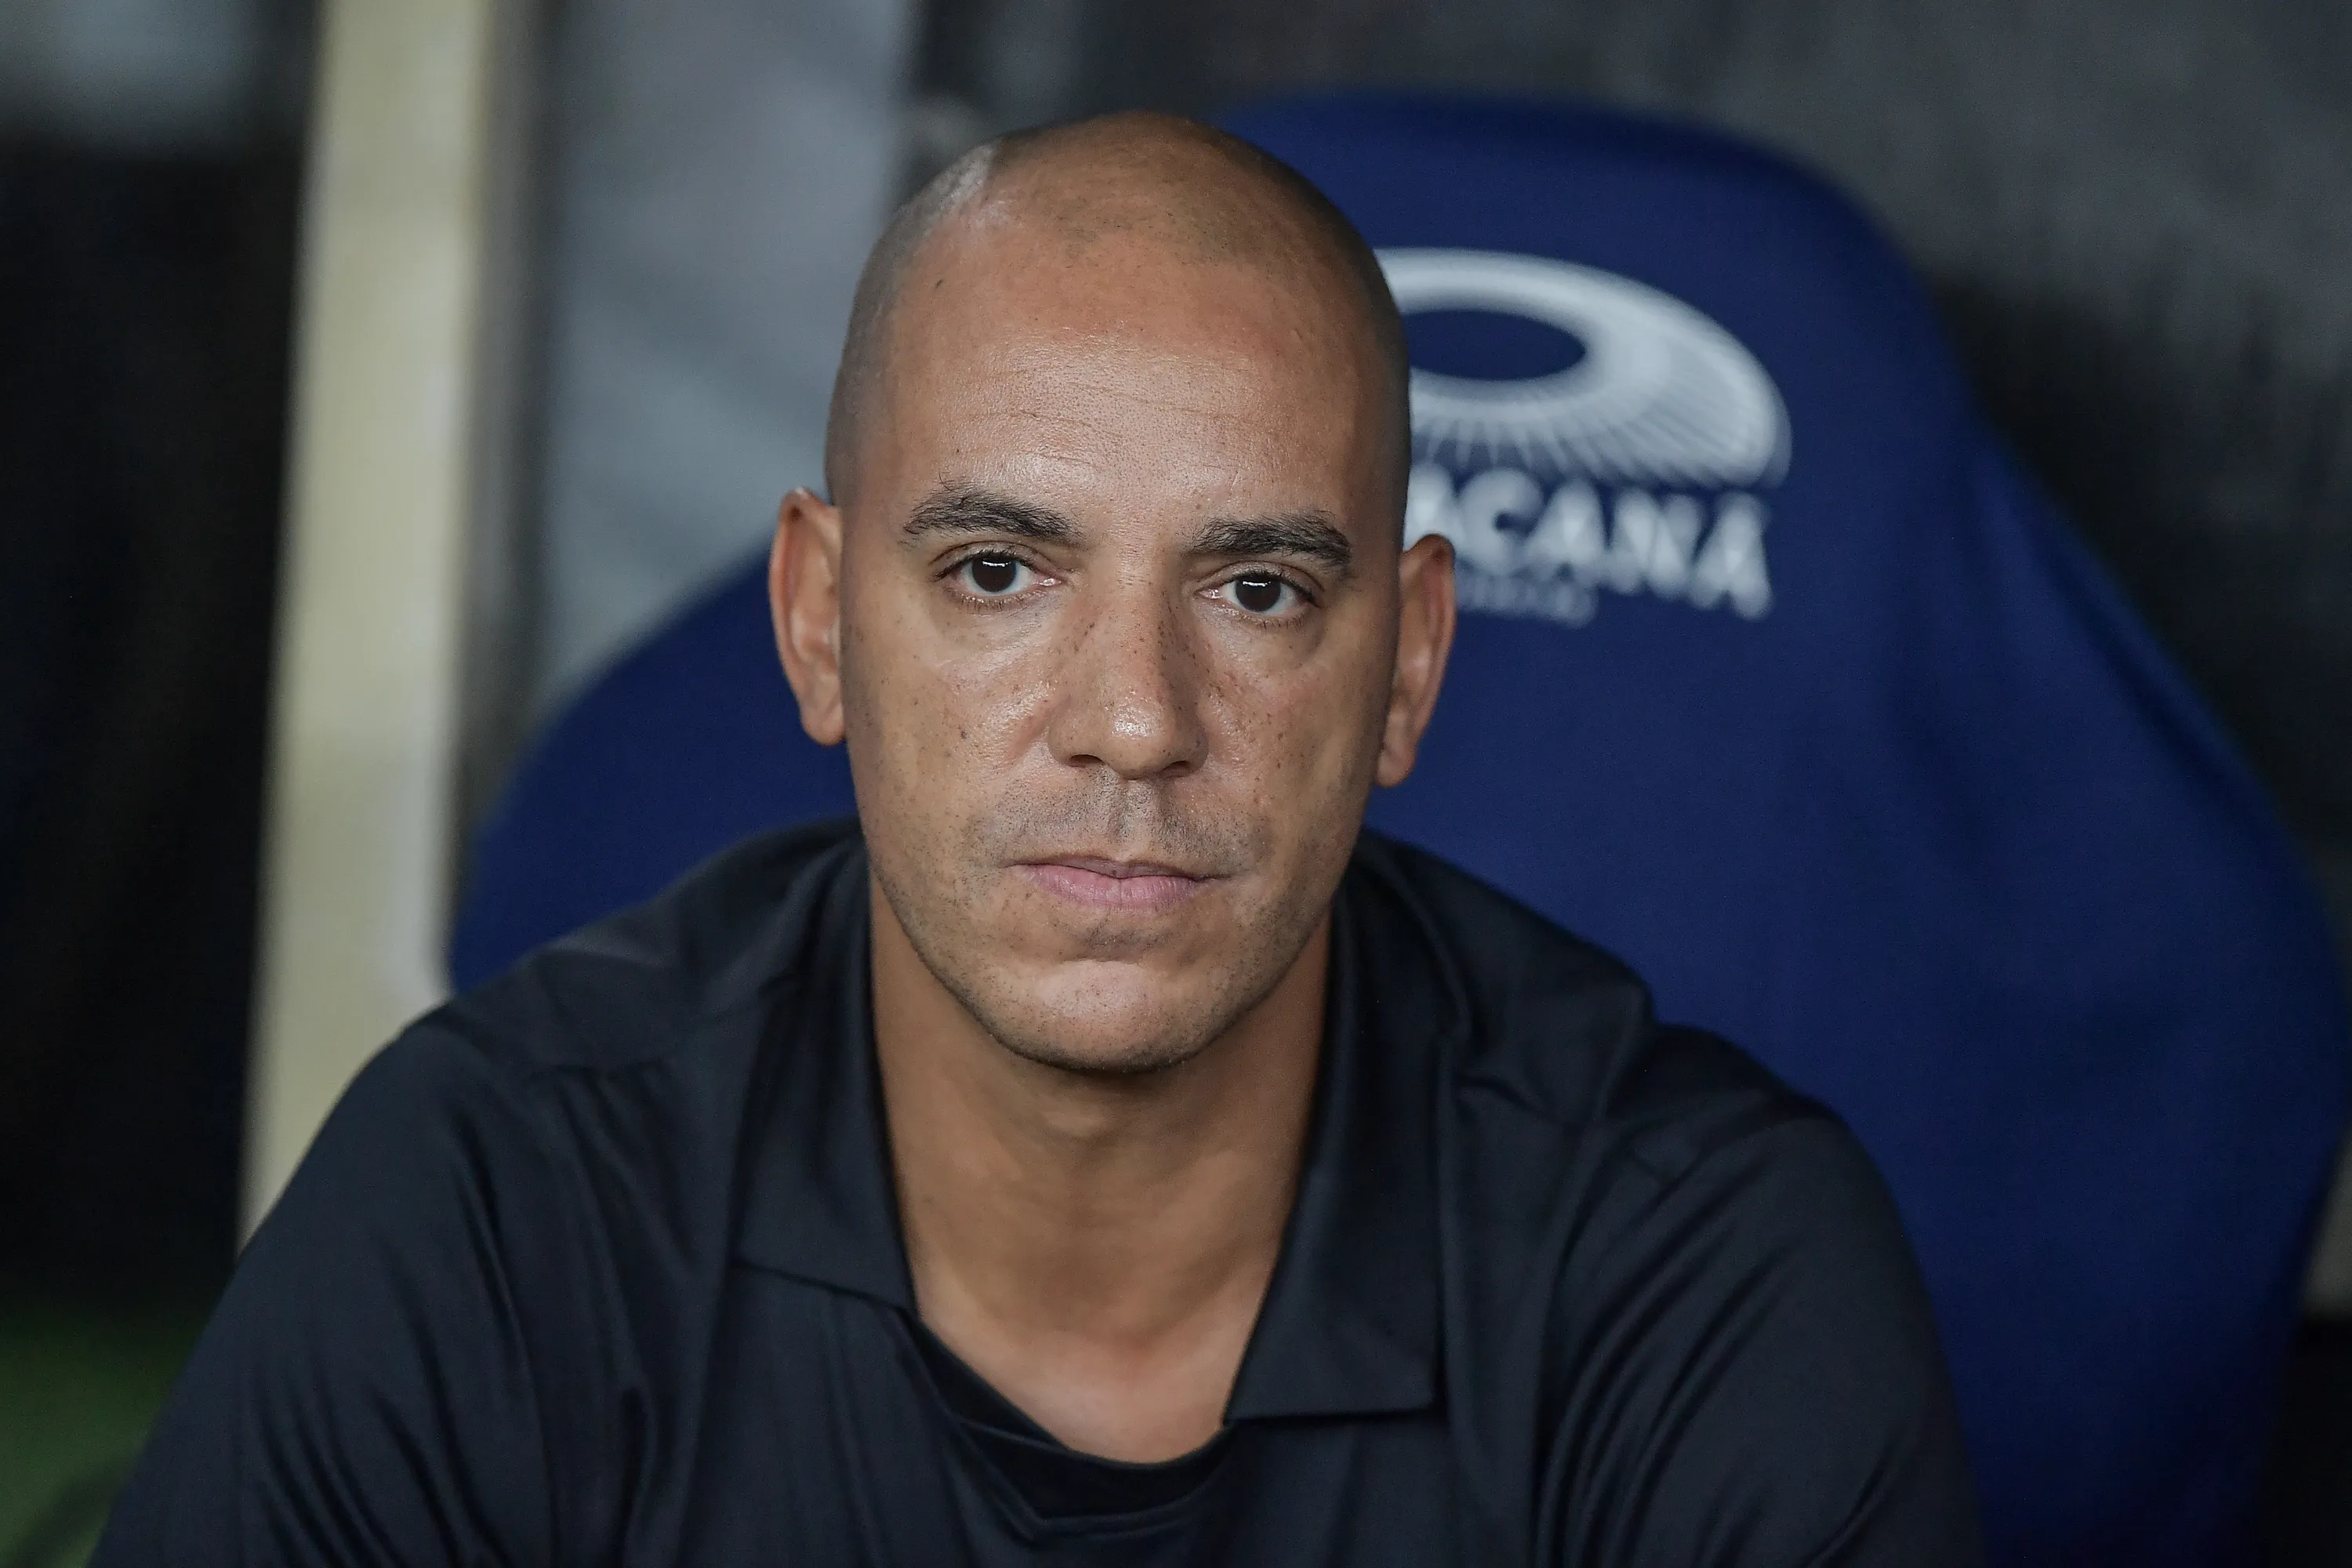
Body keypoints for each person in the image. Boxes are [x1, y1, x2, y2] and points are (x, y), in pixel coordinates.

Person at [96, 112, 1981, 1565]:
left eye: (1256, 589)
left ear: (1407, 668)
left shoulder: (1695, 1283)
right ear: (818, 623)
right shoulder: (498, 1207)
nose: (1135, 721)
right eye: (1000, 571)